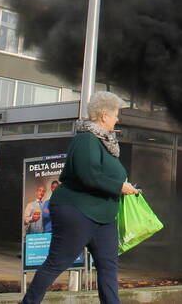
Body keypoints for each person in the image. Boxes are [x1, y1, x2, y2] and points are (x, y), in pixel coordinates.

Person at [21, 92, 138, 304]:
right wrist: (119, 186)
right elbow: (88, 175)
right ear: (104, 116)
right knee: (57, 262)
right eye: (116, 115)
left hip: (103, 215)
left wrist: (124, 186)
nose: (117, 119)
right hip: (77, 210)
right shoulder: (86, 140)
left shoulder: (105, 142)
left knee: (108, 266)